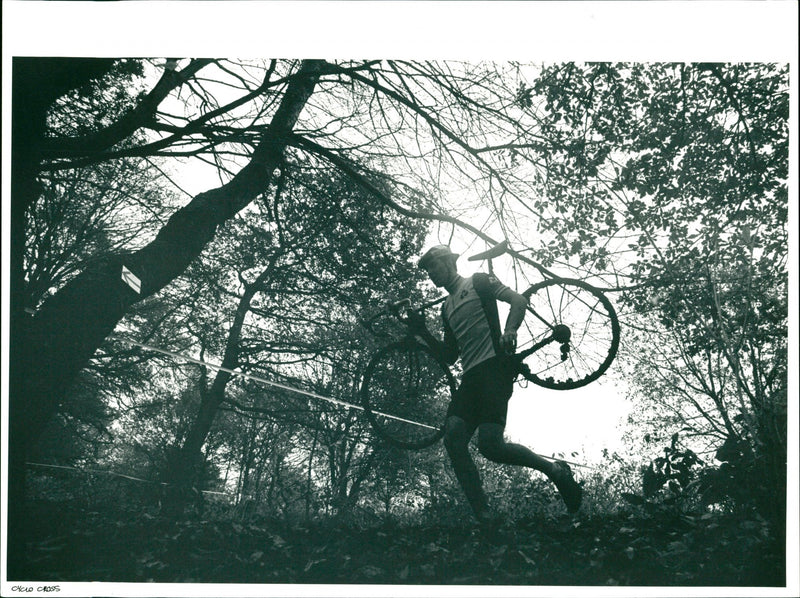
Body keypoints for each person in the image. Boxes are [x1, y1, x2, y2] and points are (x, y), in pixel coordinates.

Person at [413, 244, 582, 524]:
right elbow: (449, 355)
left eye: (435, 266)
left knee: (490, 446)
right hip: (470, 378)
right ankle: (484, 514)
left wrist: (510, 330)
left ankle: (555, 471)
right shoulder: (446, 308)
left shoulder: (478, 281)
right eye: (428, 270)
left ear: (449, 263)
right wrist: (421, 331)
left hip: (495, 369)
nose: (431, 273)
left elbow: (518, 300)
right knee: (453, 438)